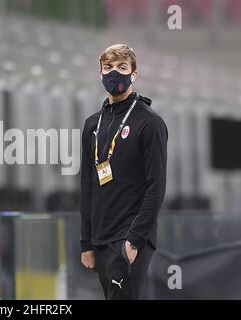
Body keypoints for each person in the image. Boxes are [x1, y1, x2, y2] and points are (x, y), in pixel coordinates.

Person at [79, 44, 168, 300]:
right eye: (108, 68)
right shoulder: (91, 125)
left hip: (130, 238)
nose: (114, 73)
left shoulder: (149, 122)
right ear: (100, 73)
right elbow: (87, 185)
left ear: (134, 74)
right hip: (101, 238)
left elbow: (156, 186)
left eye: (121, 67)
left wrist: (134, 241)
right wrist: (86, 243)